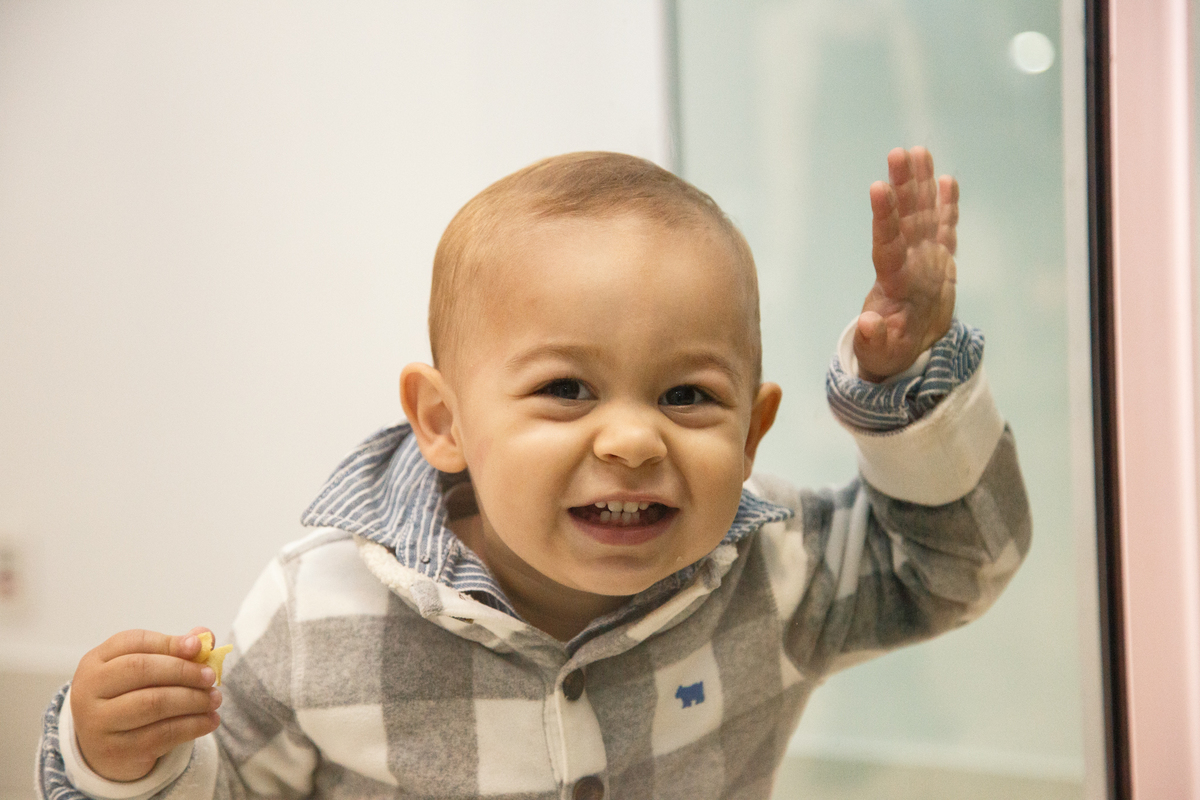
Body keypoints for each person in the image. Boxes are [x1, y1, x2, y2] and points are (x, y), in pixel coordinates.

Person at [39, 148, 1029, 799]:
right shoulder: (318, 607)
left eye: (688, 396)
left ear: (755, 430)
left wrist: (907, 383)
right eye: (566, 387)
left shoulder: (778, 564)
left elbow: (956, 563)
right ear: (443, 420)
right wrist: (121, 760)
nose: (635, 440)